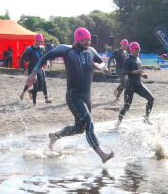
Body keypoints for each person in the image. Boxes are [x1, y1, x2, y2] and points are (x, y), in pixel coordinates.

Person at [26, 27, 114, 163]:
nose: (87, 43)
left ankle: (55, 136)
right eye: (84, 40)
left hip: (87, 97)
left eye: (89, 40)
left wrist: (103, 68)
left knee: (80, 128)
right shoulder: (66, 50)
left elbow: (102, 63)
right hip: (74, 96)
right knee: (90, 124)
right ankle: (102, 154)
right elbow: (45, 57)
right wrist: (34, 73)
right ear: (77, 39)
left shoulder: (91, 51)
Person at [116, 41, 154, 126]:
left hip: (139, 85)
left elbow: (138, 71)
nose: (138, 51)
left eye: (139, 49)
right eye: (137, 49)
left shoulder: (138, 59)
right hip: (130, 86)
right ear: (132, 50)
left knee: (151, 99)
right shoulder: (128, 60)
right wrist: (135, 71)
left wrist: (143, 75)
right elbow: (124, 72)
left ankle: (146, 118)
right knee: (127, 106)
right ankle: (118, 123)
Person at [19, 34, 50, 105]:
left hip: (39, 68)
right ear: (35, 40)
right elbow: (21, 59)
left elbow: (44, 57)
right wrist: (24, 69)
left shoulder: (42, 48)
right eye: (39, 41)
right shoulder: (28, 49)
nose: (40, 43)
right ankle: (34, 103)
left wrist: (47, 62)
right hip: (32, 68)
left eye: (41, 41)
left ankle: (45, 97)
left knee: (42, 84)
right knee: (34, 85)